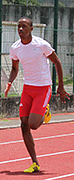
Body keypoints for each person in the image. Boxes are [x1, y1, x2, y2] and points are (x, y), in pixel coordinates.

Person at [5, 17, 70, 173]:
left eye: (24, 26)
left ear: (31, 29)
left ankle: (45, 110)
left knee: (34, 124)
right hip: (28, 88)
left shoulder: (41, 45)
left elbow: (57, 62)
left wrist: (60, 86)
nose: (21, 29)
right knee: (23, 124)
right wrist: (9, 82)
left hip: (43, 87)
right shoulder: (15, 47)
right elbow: (15, 68)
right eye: (19, 27)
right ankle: (34, 162)